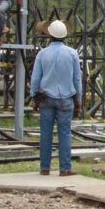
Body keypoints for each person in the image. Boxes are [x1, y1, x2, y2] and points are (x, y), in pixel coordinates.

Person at [30, 20, 81, 176]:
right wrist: (78, 99)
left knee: (46, 133)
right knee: (64, 133)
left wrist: (34, 97)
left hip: (46, 97)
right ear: (64, 35)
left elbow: (35, 78)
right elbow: (77, 79)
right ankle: (65, 168)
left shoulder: (42, 54)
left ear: (50, 35)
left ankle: (45, 167)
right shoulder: (72, 53)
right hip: (66, 98)